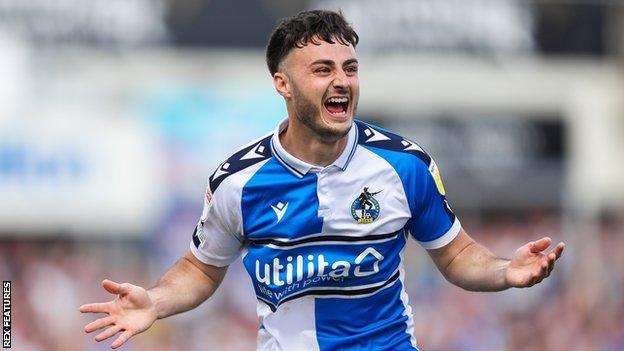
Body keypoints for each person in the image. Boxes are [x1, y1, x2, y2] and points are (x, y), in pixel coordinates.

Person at [80, 9, 565, 351]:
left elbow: (457, 254)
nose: (342, 81)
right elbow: (202, 269)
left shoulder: (404, 165)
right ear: (283, 84)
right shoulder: (239, 182)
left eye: (350, 69)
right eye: (323, 69)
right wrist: (156, 303)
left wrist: (505, 271)